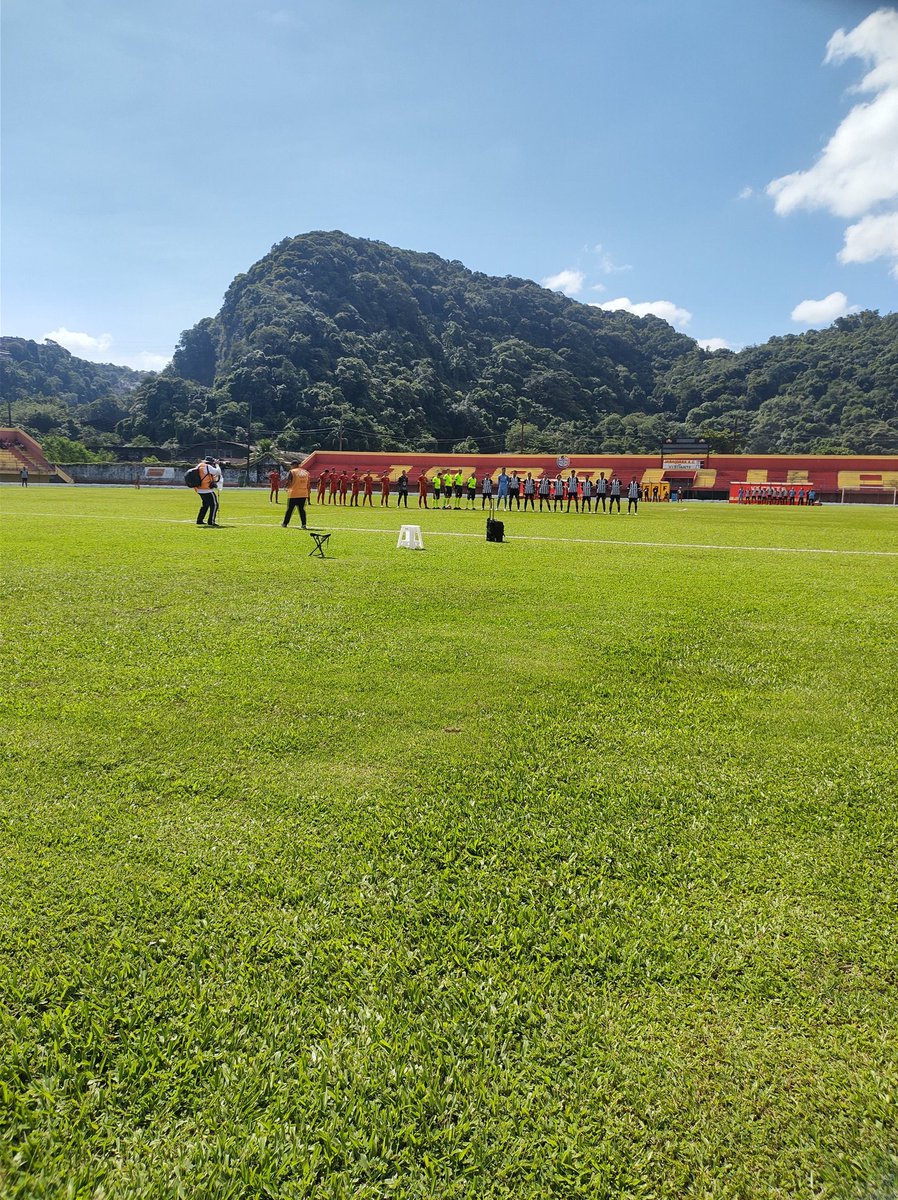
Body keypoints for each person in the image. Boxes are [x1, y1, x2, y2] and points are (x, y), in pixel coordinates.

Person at [193, 455, 222, 526]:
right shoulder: (207, 467)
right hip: (207, 489)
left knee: (205, 505)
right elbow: (218, 472)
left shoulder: (199, 466)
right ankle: (211, 521)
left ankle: (199, 520)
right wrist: (217, 465)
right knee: (214, 505)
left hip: (199, 489)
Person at [281, 460, 311, 528]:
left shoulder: (292, 471)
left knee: (290, 509)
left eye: (291, 465)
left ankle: (285, 523)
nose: (291, 467)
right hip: (303, 494)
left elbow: (289, 480)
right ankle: (304, 524)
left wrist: (286, 486)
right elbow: (308, 483)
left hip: (294, 493)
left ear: (294, 465)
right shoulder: (306, 472)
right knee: (302, 510)